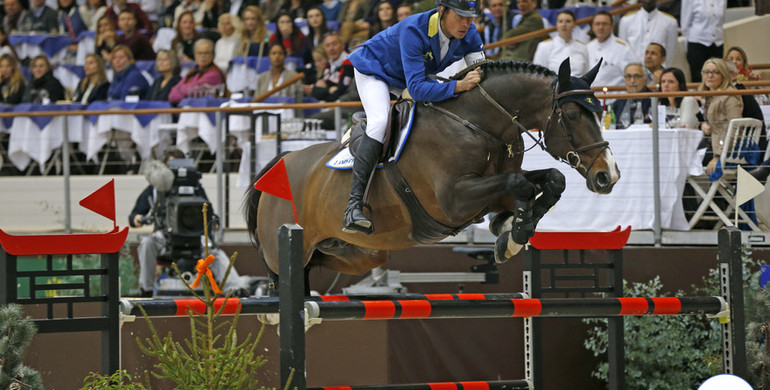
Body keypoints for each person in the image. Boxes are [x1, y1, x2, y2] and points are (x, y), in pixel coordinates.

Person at [342, 0, 485, 234]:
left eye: (470, 17)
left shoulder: (469, 33)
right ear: (442, 10)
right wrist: (458, 86)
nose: (466, 23)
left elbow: (482, 74)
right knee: (379, 123)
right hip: (375, 70)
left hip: (408, 78)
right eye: (460, 16)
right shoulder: (414, 30)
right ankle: (353, 206)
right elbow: (417, 89)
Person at [128, 148, 246, 297]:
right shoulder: (155, 190)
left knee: (215, 253)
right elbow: (135, 215)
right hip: (165, 237)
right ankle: (146, 290)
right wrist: (136, 219)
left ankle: (236, 289)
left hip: (194, 237)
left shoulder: (195, 188)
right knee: (146, 244)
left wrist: (214, 222)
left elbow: (208, 211)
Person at [699, 58, 743, 175]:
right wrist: (704, 125)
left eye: (715, 72)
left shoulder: (730, 96)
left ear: (723, 75)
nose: (710, 75)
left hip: (727, 150)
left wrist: (718, 156)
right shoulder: (710, 95)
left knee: (685, 161)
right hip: (712, 144)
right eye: (707, 72)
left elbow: (735, 129)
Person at [618, 0, 678, 67]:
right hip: (633, 71)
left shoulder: (670, 22)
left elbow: (670, 52)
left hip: (658, 72)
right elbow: (622, 51)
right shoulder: (626, 20)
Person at [586, 10, 635, 88]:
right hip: (592, 97)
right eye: (597, 24)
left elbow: (632, 74)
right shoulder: (588, 47)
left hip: (616, 97)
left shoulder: (623, 47)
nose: (600, 27)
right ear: (592, 26)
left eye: (604, 24)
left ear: (612, 26)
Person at [169, 39, 225, 104]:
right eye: (199, 53)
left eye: (206, 53)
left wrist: (180, 89)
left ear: (213, 55)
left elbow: (191, 91)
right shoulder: (193, 72)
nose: (202, 56)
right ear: (195, 55)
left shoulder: (214, 73)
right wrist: (183, 92)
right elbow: (172, 95)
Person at [681, 0, 725, 83]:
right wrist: (687, 49)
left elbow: (721, 21)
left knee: (718, 79)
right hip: (697, 43)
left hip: (717, 44)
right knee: (699, 79)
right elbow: (685, 25)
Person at [532, 10, 587, 76]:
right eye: (560, 21)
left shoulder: (582, 47)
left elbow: (587, 73)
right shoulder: (544, 46)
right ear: (556, 24)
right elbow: (538, 74)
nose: (564, 25)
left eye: (568, 21)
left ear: (574, 24)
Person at [303, 32, 353, 102]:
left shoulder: (349, 64)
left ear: (343, 45)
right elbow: (324, 86)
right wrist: (328, 90)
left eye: (334, 44)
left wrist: (317, 91)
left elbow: (340, 92)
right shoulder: (329, 63)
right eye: (327, 46)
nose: (331, 48)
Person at [611, 63, 652, 129]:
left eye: (636, 76)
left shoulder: (653, 100)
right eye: (628, 76)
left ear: (646, 79)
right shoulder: (618, 103)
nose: (632, 81)